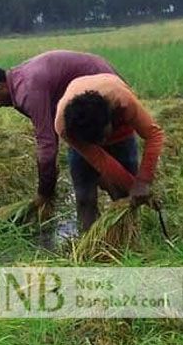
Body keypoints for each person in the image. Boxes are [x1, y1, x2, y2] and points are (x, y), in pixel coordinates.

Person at [0, 51, 119, 211]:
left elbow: (46, 144)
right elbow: (52, 126)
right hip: (93, 81)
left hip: (102, 88)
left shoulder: (28, 92)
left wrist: (44, 192)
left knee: (98, 167)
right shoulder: (19, 81)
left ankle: (123, 204)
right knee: (88, 168)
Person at [55, 74, 165, 230]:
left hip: (121, 136)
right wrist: (134, 186)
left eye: (103, 137)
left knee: (125, 198)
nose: (102, 144)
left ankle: (128, 240)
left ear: (109, 119)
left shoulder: (123, 101)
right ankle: (88, 244)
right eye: (96, 141)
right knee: (85, 198)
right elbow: (100, 159)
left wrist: (143, 182)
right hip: (83, 142)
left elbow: (154, 135)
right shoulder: (64, 127)